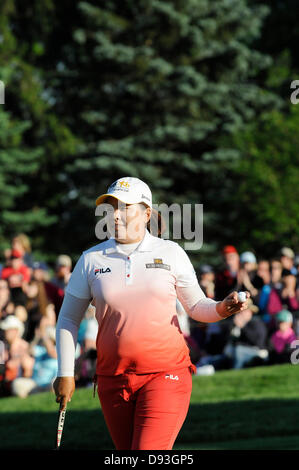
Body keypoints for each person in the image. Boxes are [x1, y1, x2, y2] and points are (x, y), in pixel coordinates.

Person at [53, 176, 250, 451]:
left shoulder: (171, 253)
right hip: (113, 380)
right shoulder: (91, 259)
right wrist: (65, 372)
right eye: (112, 208)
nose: (116, 216)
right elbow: (68, 319)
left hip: (165, 374)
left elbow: (196, 307)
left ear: (146, 213)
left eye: (125, 208)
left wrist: (221, 308)